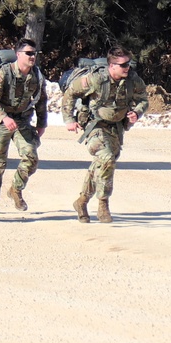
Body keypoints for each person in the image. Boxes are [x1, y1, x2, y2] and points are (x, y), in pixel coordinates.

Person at [62, 45, 148, 223]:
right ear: (112, 66)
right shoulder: (95, 79)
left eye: (128, 64)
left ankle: (82, 201)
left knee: (103, 164)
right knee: (106, 158)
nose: (127, 68)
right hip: (95, 126)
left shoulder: (133, 80)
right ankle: (103, 204)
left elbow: (143, 99)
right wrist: (69, 119)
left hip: (116, 128)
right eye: (123, 65)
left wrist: (137, 112)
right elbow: (70, 93)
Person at [0, 38, 47, 214]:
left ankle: (16, 189)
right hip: (2, 121)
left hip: (22, 121)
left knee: (31, 157)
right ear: (18, 55)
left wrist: (42, 123)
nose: (32, 56)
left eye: (34, 53)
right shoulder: (4, 74)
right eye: (28, 53)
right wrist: (4, 118)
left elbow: (41, 100)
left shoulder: (37, 76)